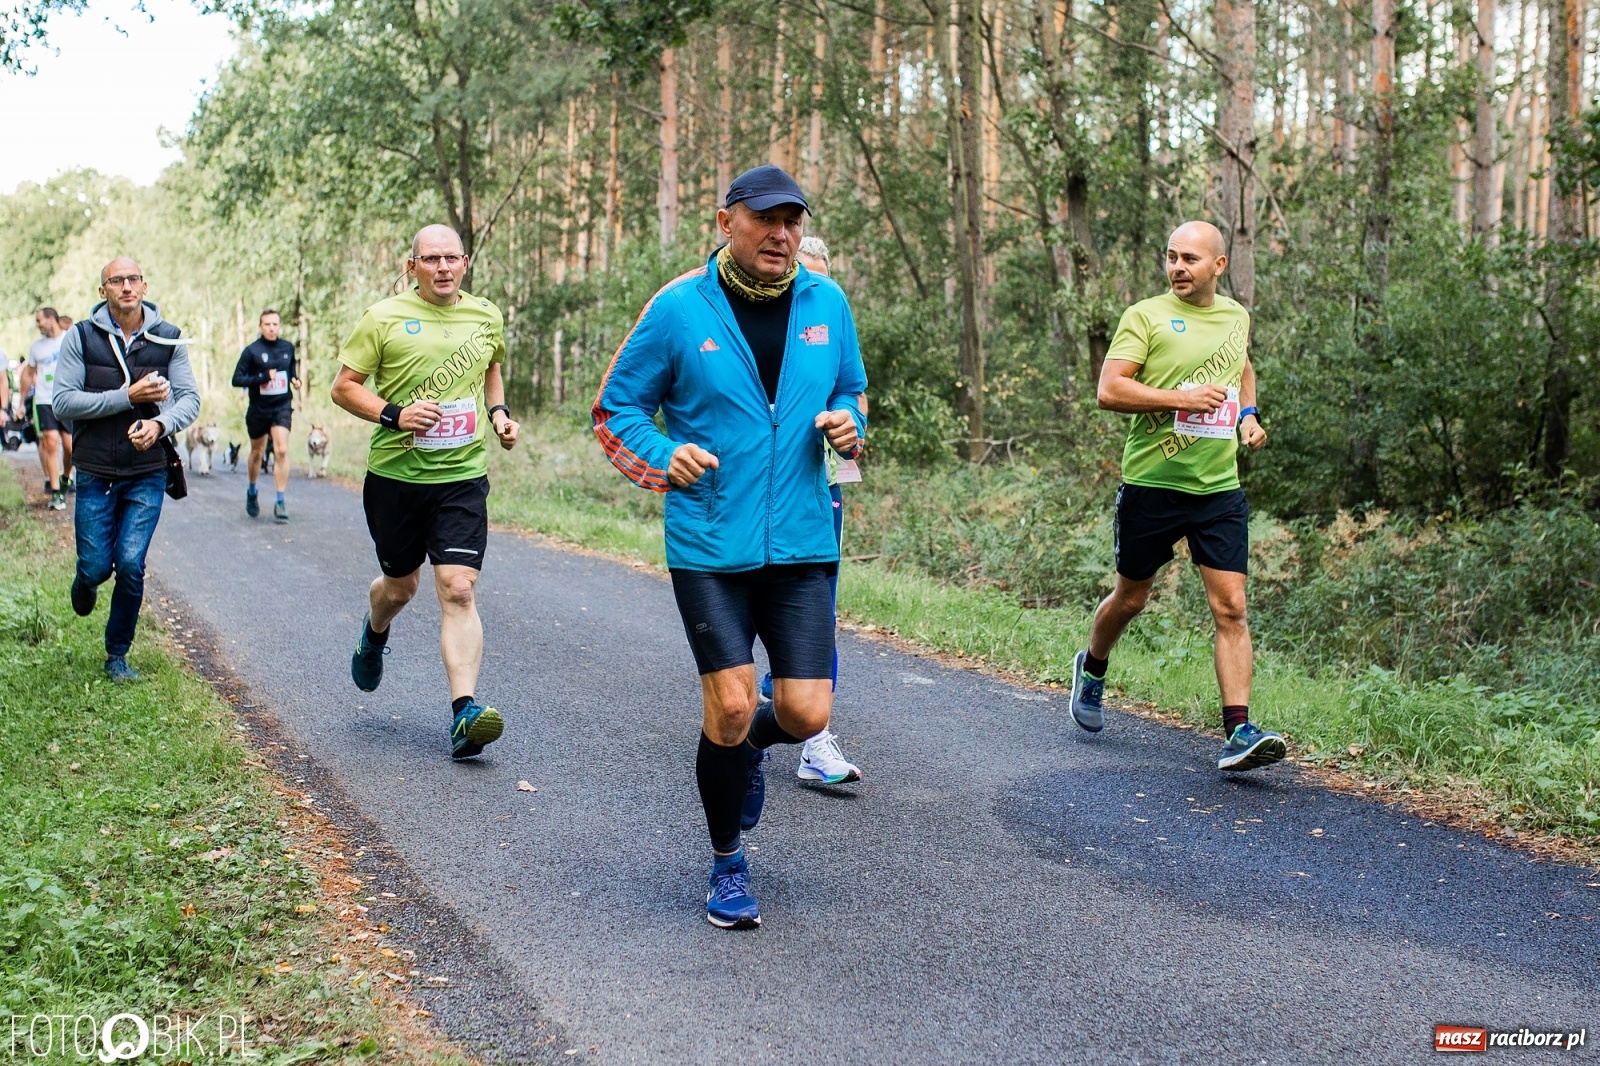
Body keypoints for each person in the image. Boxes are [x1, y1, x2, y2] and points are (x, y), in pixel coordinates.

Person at [592, 164, 868, 929]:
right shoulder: (681, 308)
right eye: (765, 220)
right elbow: (616, 410)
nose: (782, 235)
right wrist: (662, 457)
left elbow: (851, 388)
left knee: (808, 713)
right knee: (734, 703)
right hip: (712, 540)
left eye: (793, 222)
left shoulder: (827, 301)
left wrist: (852, 424)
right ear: (725, 223)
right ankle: (727, 865)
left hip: (806, 539)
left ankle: (747, 750)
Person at [1068, 220, 1284, 773]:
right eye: (1171, 257)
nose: (1178, 267)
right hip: (1151, 484)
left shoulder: (1236, 316)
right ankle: (1092, 667)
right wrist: (1180, 399)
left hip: (1217, 489)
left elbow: (1242, 367)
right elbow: (1109, 389)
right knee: (1132, 599)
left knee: (1231, 607)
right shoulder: (1146, 316)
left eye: (1190, 258)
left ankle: (1238, 730)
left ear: (1218, 266)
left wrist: (1249, 415)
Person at [331, 223, 520, 760]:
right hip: (396, 478)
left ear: (465, 263)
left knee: (458, 587)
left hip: (462, 475)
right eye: (430, 259)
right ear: (411, 265)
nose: (442, 268)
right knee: (400, 587)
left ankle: (465, 713)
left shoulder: (485, 315)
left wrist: (499, 415)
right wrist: (395, 414)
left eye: (451, 258)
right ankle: (374, 632)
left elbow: (492, 371)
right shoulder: (383, 317)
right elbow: (343, 387)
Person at [52, 259, 200, 682]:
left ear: (144, 285)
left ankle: (117, 654)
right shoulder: (81, 336)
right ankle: (85, 581)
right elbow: (62, 402)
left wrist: (159, 424)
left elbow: (190, 399)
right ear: (104, 291)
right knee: (98, 567)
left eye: (133, 279)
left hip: (147, 471)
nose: (126, 286)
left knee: (131, 564)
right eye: (116, 281)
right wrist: (125, 396)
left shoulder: (169, 337)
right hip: (96, 469)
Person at [756, 234, 861, 786]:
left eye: (817, 278)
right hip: (748, 500)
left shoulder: (830, 317)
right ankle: (752, 711)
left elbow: (853, 394)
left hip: (819, 490)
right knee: (749, 618)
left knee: (819, 612)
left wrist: (850, 427)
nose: (807, 288)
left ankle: (812, 741)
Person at [232, 308, 299, 520]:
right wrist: (262, 377)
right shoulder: (251, 351)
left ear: (279, 326)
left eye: (275, 324)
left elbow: (291, 372)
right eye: (267, 324)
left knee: (281, 450)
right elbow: (237, 379)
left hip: (281, 406)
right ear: (261, 327)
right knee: (257, 453)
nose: (271, 328)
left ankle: (280, 501)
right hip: (259, 409)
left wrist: (295, 380)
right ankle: (252, 490)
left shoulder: (287, 348)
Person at [23, 307, 75, 510]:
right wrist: (20, 404)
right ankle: (56, 492)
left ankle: (66, 478)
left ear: (51, 319)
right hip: (45, 399)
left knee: (70, 446)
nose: (37, 325)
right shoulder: (37, 348)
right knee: (51, 443)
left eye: (39, 320)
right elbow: (28, 374)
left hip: (68, 397)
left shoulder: (69, 339)